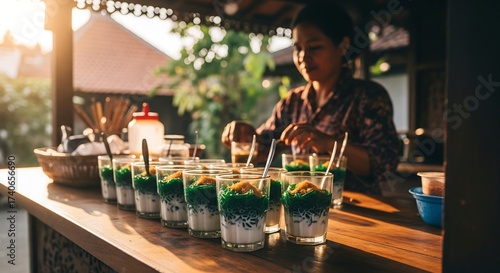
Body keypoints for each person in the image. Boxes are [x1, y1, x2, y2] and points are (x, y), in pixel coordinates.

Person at [221, 2, 401, 195]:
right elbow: (264, 146)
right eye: (298, 48)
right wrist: (247, 136)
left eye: (314, 47)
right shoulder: (293, 102)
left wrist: (328, 143)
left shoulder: (368, 97)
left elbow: (384, 163)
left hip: (361, 212)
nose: (303, 57)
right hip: (300, 209)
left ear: (343, 47)